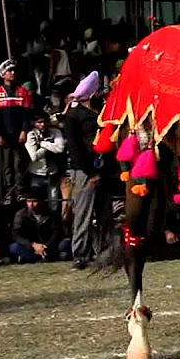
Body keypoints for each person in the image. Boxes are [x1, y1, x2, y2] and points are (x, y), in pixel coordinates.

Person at [63, 71, 101, 270]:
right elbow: (76, 148)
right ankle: (79, 253)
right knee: (83, 213)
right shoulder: (73, 116)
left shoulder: (99, 112)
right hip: (85, 170)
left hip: (101, 168)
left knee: (103, 213)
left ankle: (101, 251)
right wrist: (90, 171)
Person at [0, 59, 33, 202]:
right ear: (3, 74)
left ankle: (20, 191)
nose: (13, 73)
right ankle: (8, 192)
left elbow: (27, 114)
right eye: (9, 71)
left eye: (14, 70)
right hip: (5, 135)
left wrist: (24, 131)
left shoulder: (23, 91)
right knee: (7, 166)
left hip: (18, 134)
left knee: (18, 164)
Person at [9, 187, 71, 263]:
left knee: (65, 244)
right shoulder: (21, 215)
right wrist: (33, 245)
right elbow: (16, 235)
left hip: (48, 245)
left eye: (34, 201)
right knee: (14, 247)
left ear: (41, 202)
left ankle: (35, 258)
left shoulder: (51, 214)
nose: (31, 205)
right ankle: (44, 258)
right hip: (31, 246)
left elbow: (56, 232)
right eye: (28, 201)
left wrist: (45, 246)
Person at [24, 114, 66, 203]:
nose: (42, 124)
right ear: (33, 123)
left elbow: (60, 148)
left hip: (52, 172)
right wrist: (48, 147)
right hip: (36, 173)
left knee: (53, 202)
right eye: (39, 122)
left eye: (44, 122)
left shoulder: (55, 132)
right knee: (36, 202)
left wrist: (43, 144)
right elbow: (34, 156)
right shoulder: (31, 134)